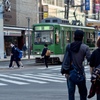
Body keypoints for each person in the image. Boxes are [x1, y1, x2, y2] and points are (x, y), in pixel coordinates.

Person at [61, 30, 91, 100]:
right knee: (83, 93)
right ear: (82, 37)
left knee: (71, 93)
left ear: (74, 36)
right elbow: (90, 59)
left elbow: (66, 59)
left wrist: (65, 71)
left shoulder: (69, 46)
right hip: (80, 73)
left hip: (70, 73)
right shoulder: (85, 47)